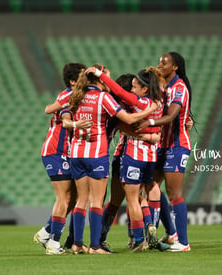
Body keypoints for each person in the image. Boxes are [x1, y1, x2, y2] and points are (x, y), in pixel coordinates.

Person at [65, 64, 159, 254]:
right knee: (97, 202)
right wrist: (151, 111)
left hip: (75, 153)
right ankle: (95, 246)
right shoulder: (103, 98)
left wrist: (74, 123)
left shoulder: (75, 96)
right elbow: (129, 121)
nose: (110, 81)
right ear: (100, 79)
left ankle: (75, 243)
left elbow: (62, 115)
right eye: (106, 78)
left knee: (81, 200)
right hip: (96, 154)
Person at [87, 66, 165, 252]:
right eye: (130, 86)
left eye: (134, 86)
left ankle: (129, 239)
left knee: (119, 200)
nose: (132, 89)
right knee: (139, 197)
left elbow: (126, 122)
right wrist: (151, 135)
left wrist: (100, 76)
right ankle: (147, 230)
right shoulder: (156, 104)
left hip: (127, 156)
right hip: (149, 155)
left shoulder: (130, 107)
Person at [33, 63, 91, 255]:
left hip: (66, 151)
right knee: (64, 197)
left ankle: (46, 232)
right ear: (73, 81)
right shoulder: (68, 95)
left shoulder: (78, 96)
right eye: (83, 76)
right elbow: (49, 110)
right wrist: (74, 123)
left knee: (73, 198)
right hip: (55, 151)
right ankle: (53, 243)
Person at [138, 52, 193, 252]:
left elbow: (171, 116)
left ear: (175, 67)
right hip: (161, 146)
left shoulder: (179, 88)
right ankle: (170, 233)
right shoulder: (163, 88)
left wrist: (149, 122)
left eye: (165, 62)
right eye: (160, 61)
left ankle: (183, 243)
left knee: (174, 193)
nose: (160, 64)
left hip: (177, 146)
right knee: (151, 185)